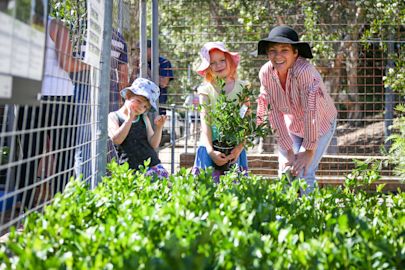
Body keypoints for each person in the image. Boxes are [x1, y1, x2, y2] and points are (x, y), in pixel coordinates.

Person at [16, 17, 89, 208]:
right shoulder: (55, 25)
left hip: (27, 93)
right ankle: (60, 206)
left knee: (29, 156)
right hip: (58, 96)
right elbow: (66, 64)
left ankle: (24, 207)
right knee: (63, 153)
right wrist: (91, 64)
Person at [256, 25, 337, 193]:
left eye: (284, 50)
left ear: (295, 53)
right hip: (292, 125)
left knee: (304, 172)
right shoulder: (265, 73)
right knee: (285, 171)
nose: (278, 56)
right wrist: (287, 150)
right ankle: (285, 216)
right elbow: (273, 112)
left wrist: (308, 150)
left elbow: (311, 111)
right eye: (272, 50)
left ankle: (309, 216)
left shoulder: (305, 71)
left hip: (320, 124)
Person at [192, 42, 249, 181]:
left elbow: (246, 120)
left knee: (234, 192)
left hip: (234, 149)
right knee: (207, 191)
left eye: (222, 60)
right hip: (209, 147)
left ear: (229, 60)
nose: (218, 65)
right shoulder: (205, 90)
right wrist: (211, 151)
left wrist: (239, 148)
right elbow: (205, 124)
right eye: (213, 63)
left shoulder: (242, 88)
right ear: (207, 67)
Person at [108, 78, 169, 179]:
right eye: (139, 101)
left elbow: (153, 144)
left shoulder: (144, 118)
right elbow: (117, 140)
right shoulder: (113, 116)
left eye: (145, 106)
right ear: (128, 96)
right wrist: (129, 118)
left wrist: (159, 128)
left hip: (152, 165)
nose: (141, 107)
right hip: (129, 170)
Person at [130, 40, 174, 115]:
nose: (138, 53)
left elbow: (163, 83)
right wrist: (135, 69)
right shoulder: (138, 63)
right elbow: (131, 84)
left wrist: (146, 68)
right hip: (139, 104)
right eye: (138, 51)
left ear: (150, 49)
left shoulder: (164, 62)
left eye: (140, 50)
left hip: (158, 105)